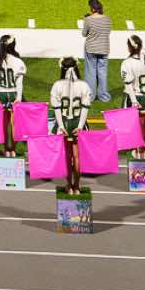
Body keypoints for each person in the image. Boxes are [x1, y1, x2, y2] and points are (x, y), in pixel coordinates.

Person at [51, 56, 92, 191]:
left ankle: (69, 185)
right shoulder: (84, 85)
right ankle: (77, 186)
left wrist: (61, 126)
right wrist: (80, 126)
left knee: (67, 156)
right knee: (77, 156)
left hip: (63, 122)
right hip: (78, 121)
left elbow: (57, 108)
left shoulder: (57, 85)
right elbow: (85, 108)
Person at [119, 34, 145, 148]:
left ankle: (136, 148)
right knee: (144, 124)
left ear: (129, 47)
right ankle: (142, 149)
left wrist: (134, 101)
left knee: (131, 125)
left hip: (133, 97)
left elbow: (128, 84)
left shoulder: (127, 63)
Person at [0, 34, 27, 155]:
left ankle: (6, 149)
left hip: (0, 94)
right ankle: (13, 150)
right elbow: (19, 83)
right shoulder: (18, 61)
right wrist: (18, 98)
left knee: (3, 124)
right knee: (14, 123)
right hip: (13, 93)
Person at [80, 0, 114, 102]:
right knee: (102, 73)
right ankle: (103, 96)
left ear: (92, 9)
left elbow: (84, 34)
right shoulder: (107, 19)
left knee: (90, 72)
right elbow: (108, 31)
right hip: (104, 48)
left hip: (91, 49)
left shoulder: (88, 20)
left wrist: (86, 20)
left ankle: (90, 96)